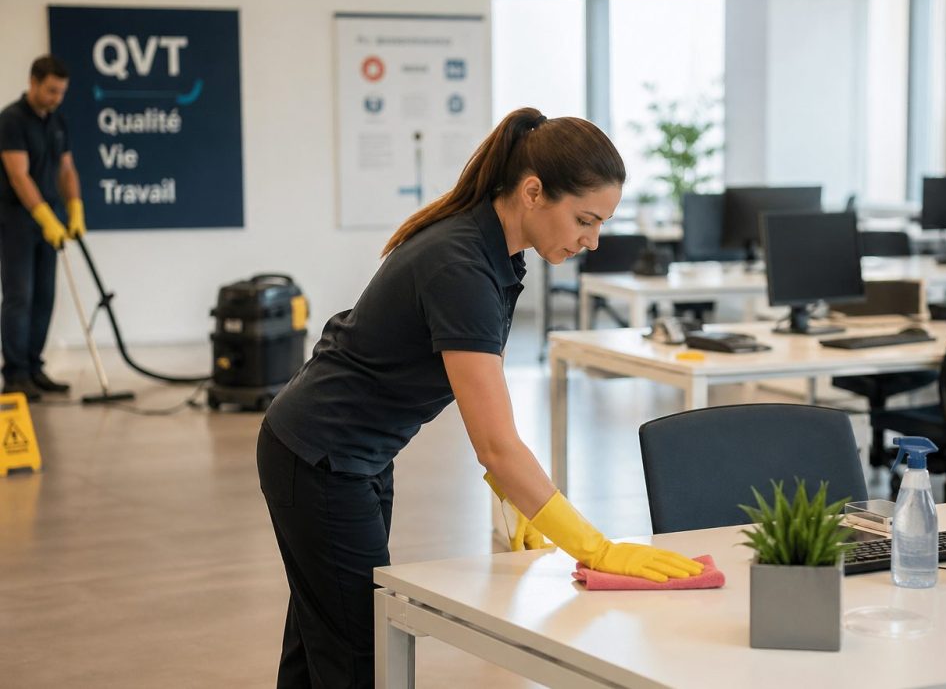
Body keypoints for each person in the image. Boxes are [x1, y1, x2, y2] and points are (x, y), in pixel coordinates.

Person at [257, 107, 702, 688]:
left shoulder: (498, 251)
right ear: (534, 191)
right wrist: (594, 548)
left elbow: (482, 400)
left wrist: (515, 490)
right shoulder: (460, 262)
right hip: (320, 460)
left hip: (352, 456)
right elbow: (495, 444)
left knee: (323, 641)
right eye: (585, 220)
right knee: (362, 660)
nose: (592, 241)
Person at [0, 54, 86, 400]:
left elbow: (67, 169)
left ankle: (34, 368)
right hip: (16, 220)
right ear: (33, 82)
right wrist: (45, 217)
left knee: (44, 298)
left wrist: (74, 208)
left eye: (61, 92)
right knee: (20, 297)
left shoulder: (57, 121)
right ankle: (15, 374)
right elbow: (18, 176)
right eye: (51, 90)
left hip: (47, 218)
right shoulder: (11, 121)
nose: (55, 98)